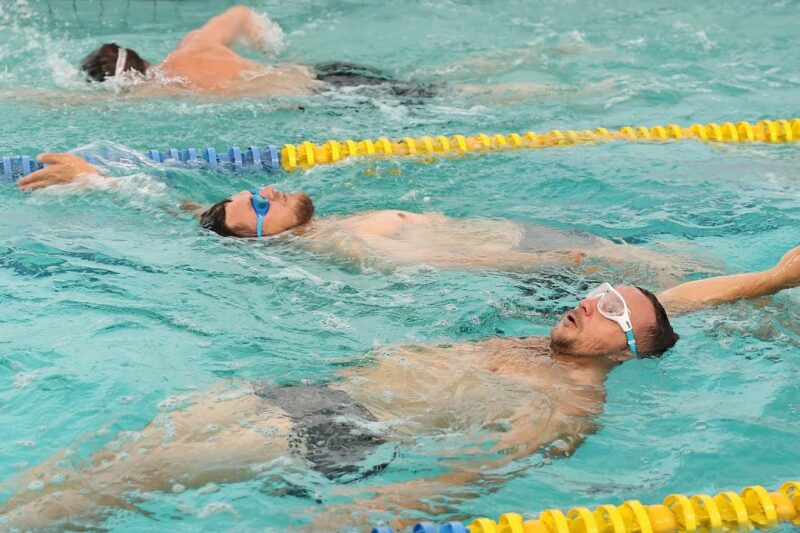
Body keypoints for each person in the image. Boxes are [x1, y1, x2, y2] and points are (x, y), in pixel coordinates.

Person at [1, 245, 798, 530]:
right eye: (600, 292)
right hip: (302, 388)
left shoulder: (573, 402)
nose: (593, 300)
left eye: (613, 309)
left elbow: (488, 471)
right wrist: (773, 276)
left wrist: (385, 507)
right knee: (103, 457)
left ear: (627, 348)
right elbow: (683, 299)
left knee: (131, 477)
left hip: (341, 428)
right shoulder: (537, 344)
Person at [17, 153, 689, 275]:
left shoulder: (310, 224)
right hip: (531, 256)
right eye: (260, 206)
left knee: (683, 266)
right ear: (265, 241)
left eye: (256, 191)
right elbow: (430, 265)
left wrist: (99, 178)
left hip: (524, 238)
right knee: (678, 271)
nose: (268, 191)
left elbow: (186, 209)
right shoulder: (331, 246)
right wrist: (539, 261)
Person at [78, 5, 432, 98]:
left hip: (329, 94)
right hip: (322, 70)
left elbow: (82, 104)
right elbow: (241, 13)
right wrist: (270, 50)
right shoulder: (193, 45)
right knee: (432, 88)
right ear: (141, 57)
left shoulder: (163, 88)